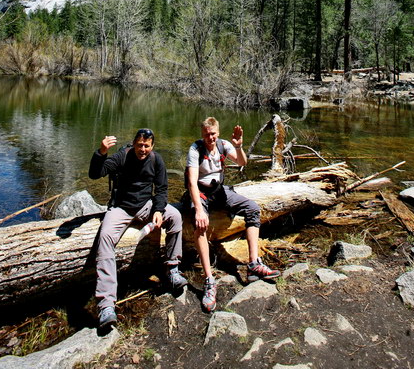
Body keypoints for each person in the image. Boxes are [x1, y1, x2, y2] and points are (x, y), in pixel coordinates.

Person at [89, 127, 187, 328]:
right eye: (140, 145)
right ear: (134, 143)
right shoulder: (122, 156)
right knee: (105, 236)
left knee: (175, 216)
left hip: (146, 206)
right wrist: (101, 152)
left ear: (152, 146)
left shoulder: (156, 160)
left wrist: (159, 209)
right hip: (121, 208)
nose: (143, 149)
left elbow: (161, 189)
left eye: (147, 146)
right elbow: (95, 173)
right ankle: (106, 305)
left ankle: (172, 269)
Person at [186, 117, 280, 313]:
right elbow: (192, 183)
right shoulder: (195, 149)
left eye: (212, 134)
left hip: (219, 190)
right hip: (201, 192)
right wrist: (199, 209)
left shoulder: (223, 145)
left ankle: (253, 263)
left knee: (252, 209)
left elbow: (242, 162)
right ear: (202, 134)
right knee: (201, 224)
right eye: (206, 134)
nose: (210, 138)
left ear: (218, 133)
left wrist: (238, 147)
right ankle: (209, 279)